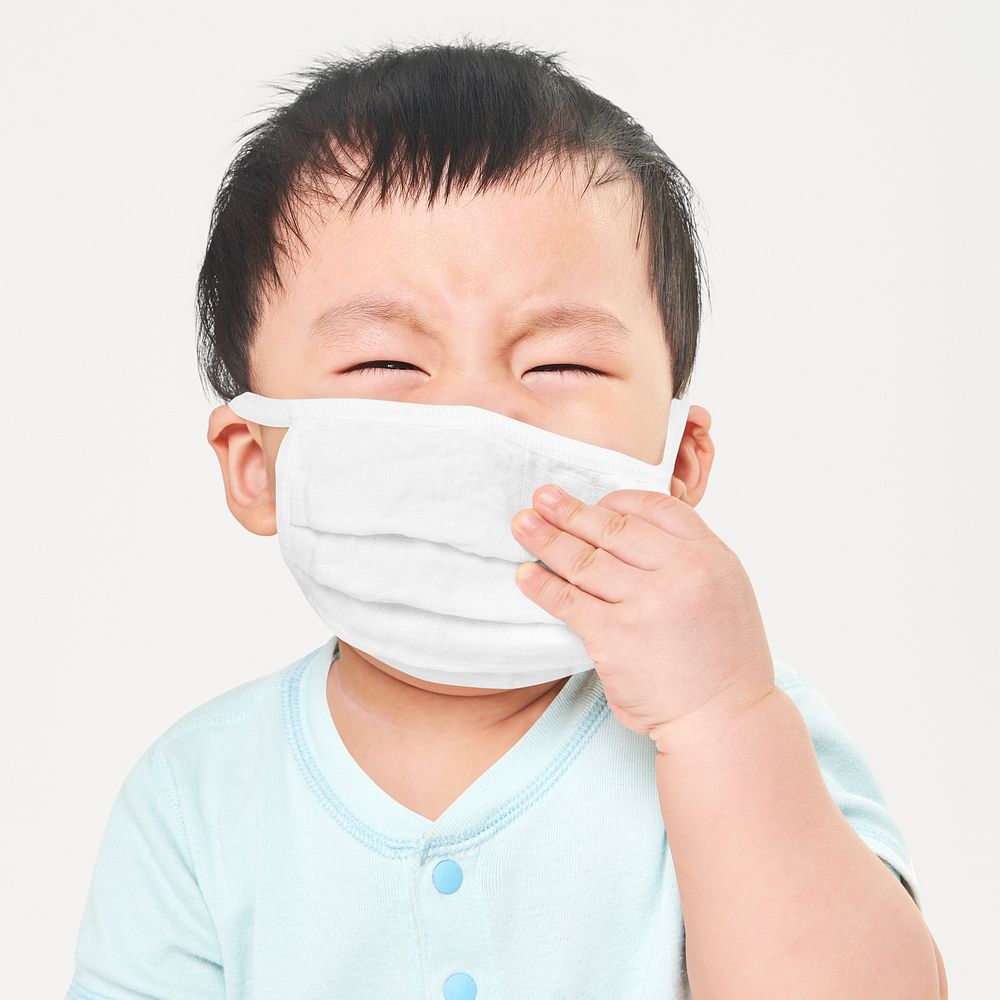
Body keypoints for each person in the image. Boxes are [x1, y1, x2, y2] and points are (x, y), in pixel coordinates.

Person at [64, 40, 946, 1000]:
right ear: (255, 467)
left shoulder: (746, 728)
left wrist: (722, 723)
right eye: (385, 365)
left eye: (560, 365)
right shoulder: (196, 797)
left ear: (678, 461)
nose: (478, 415)